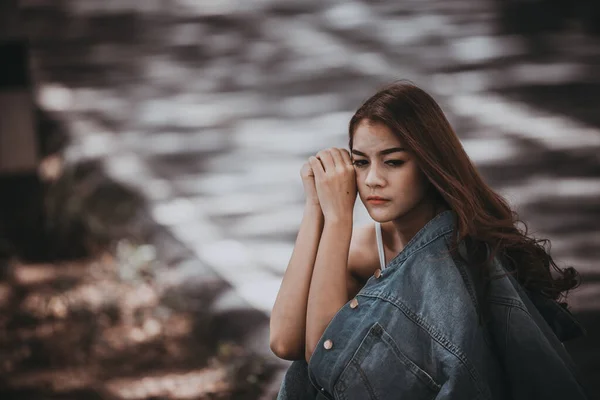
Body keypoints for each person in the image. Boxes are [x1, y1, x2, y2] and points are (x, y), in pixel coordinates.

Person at [269, 81, 588, 399]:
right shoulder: (369, 248)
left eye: (393, 162)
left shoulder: (456, 254)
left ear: (428, 163)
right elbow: (286, 343)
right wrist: (316, 206)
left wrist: (339, 219)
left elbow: (325, 357)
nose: (372, 180)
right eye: (361, 162)